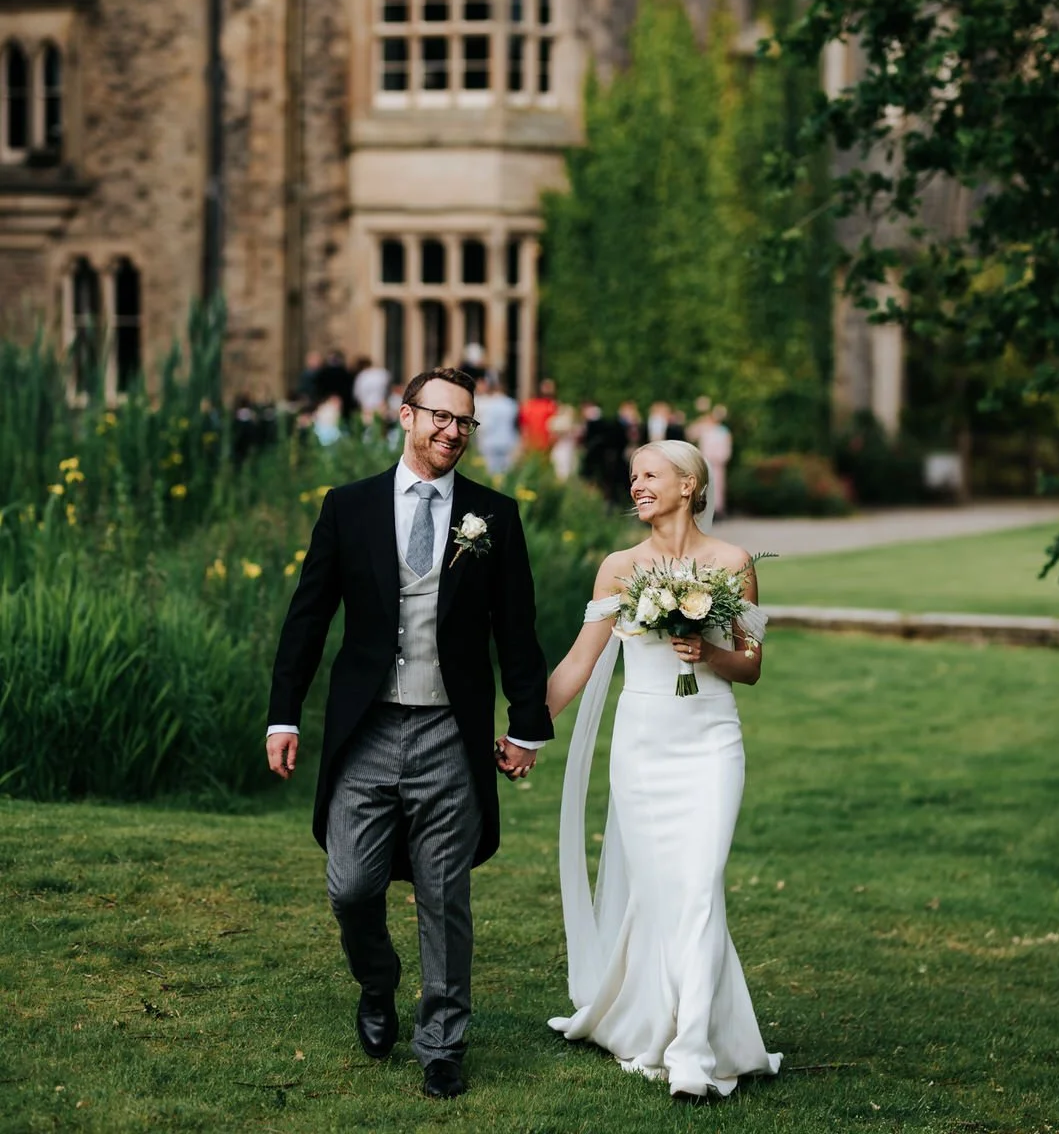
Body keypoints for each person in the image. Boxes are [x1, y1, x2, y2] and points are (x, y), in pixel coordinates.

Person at [265, 368, 553, 1100]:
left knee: (443, 894)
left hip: (448, 732)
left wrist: (526, 726)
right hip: (366, 730)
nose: (453, 431)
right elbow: (308, 616)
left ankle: (443, 1043)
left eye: (465, 422)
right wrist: (284, 712)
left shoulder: (495, 516)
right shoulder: (350, 507)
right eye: (440, 417)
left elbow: (516, 631)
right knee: (351, 884)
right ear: (404, 417)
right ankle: (377, 981)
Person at [545, 440, 781, 1103]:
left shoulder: (733, 564)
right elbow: (579, 662)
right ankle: (657, 1019)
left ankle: (691, 1049)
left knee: (701, 884)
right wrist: (528, 725)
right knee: (659, 890)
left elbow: (752, 663)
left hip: (711, 739)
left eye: (649, 475)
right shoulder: (620, 567)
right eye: (632, 478)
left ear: (690, 484)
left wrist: (708, 649)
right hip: (643, 742)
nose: (637, 486)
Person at [689, 399, 733, 517]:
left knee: (718, 486)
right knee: (703, 484)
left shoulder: (723, 431)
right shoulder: (704, 428)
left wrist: (722, 458)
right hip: (704, 461)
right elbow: (690, 434)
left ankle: (718, 510)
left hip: (718, 463)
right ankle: (704, 509)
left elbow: (727, 447)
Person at [474, 374, 519, 475]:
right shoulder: (511, 404)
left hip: (489, 443)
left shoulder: (487, 404)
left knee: (490, 474)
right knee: (505, 473)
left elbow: (483, 426)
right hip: (507, 441)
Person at [517, 377, 557, 455]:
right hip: (544, 445)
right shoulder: (551, 407)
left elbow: (523, 427)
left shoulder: (528, 406)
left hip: (532, 444)